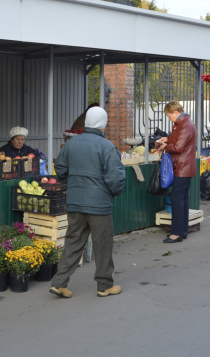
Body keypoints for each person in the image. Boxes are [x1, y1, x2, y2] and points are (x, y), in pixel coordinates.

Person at [50, 106, 126, 299]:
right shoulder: (107, 147)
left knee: (73, 243)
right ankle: (104, 286)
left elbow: (60, 170)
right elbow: (116, 179)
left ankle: (59, 283)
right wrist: (112, 194)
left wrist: (73, 185)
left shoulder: (71, 144)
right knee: (103, 245)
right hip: (99, 205)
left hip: (75, 202)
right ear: (103, 125)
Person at [154, 101, 197, 243]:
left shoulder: (184, 125)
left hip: (182, 167)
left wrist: (166, 145)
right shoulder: (184, 123)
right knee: (182, 199)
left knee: (177, 199)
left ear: (176, 113)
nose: (169, 118)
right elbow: (179, 141)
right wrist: (169, 138)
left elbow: (178, 147)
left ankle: (177, 233)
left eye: (169, 115)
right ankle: (182, 230)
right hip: (184, 166)